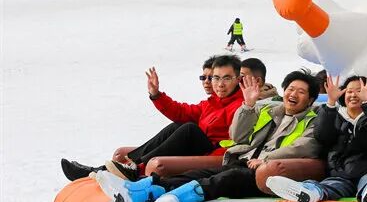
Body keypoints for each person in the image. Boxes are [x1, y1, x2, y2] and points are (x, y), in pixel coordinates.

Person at [93, 70, 323, 202]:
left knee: (225, 178)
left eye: (301, 92)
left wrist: (265, 160)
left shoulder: (313, 120)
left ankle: (177, 198)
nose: (293, 94)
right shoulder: (268, 110)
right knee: (197, 173)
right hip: (241, 159)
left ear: (311, 99)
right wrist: (248, 106)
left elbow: (303, 147)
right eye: (290, 89)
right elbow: (239, 136)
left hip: (262, 170)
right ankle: (144, 190)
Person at [60, 56, 245, 181]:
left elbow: (240, 140)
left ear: (238, 79)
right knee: (179, 124)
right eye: (216, 78)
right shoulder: (211, 103)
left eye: (226, 78)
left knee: (189, 128)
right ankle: (115, 168)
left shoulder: (242, 106)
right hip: (201, 148)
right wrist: (156, 94)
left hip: (216, 155)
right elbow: (180, 111)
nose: (219, 84)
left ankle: (134, 168)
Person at [267, 75, 367, 202]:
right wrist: (330, 103)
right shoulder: (334, 115)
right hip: (340, 173)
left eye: (359, 91)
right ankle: (308, 192)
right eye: (349, 91)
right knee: (328, 186)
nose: (353, 95)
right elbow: (322, 137)